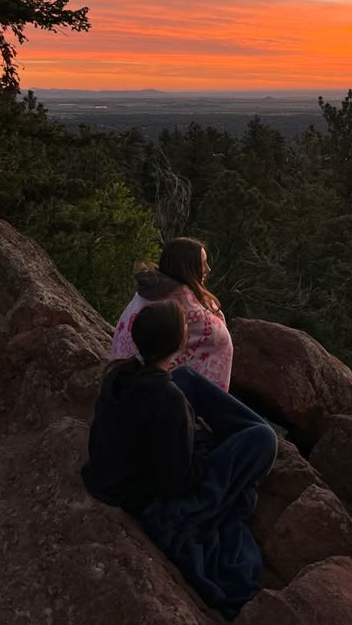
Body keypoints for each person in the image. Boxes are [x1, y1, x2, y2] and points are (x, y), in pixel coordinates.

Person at [83, 301, 277, 619]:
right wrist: (201, 445)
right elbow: (179, 483)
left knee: (185, 377)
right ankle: (248, 429)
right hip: (155, 499)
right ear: (179, 343)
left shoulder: (118, 377)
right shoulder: (168, 401)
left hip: (123, 473)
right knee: (263, 439)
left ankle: (241, 428)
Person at [110, 237, 233, 390]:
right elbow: (214, 334)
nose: (208, 269)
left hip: (122, 377)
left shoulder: (150, 290)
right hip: (153, 387)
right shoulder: (180, 300)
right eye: (202, 263)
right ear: (187, 267)